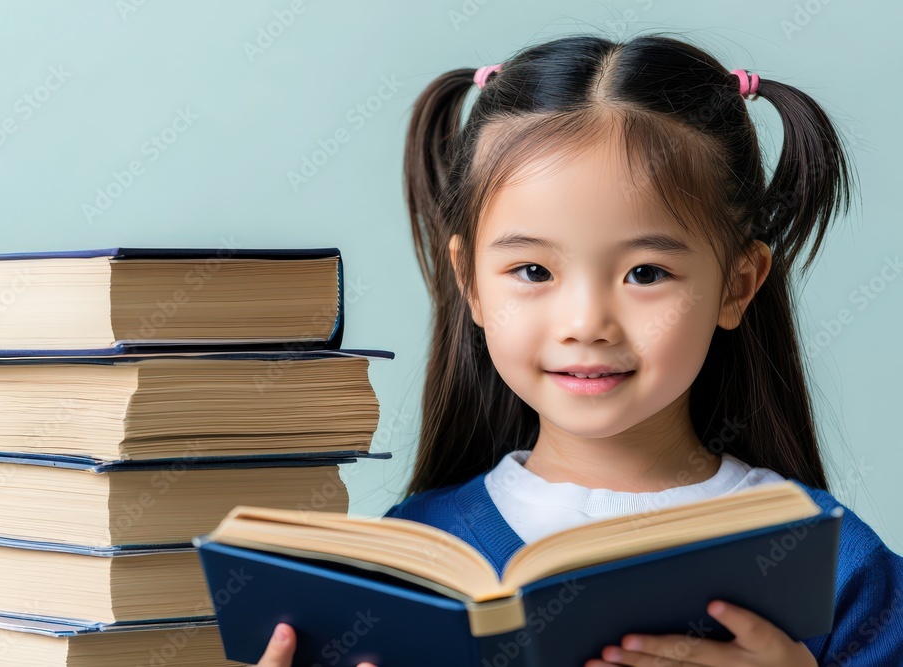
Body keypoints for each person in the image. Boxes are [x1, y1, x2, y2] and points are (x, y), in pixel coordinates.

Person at [251, 32, 903, 667]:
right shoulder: (405, 565)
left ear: (737, 285)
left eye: (645, 273)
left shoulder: (838, 568)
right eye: (533, 271)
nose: (586, 323)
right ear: (469, 282)